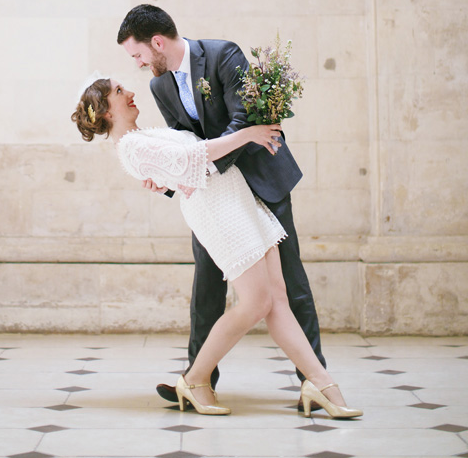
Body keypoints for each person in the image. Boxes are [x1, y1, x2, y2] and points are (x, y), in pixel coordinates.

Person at [72, 78, 362, 420]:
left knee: (276, 300)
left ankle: (320, 383)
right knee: (257, 302)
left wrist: (168, 177)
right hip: (219, 212)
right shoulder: (130, 147)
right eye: (120, 92)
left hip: (236, 201)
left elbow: (182, 165)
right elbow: (195, 155)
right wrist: (249, 133)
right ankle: (195, 379)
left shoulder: (141, 137)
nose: (131, 93)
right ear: (106, 110)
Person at [117, 4, 325, 411]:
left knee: (291, 285)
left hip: (260, 181)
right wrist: (169, 178)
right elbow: (182, 144)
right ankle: (197, 379)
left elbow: (244, 119)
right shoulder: (161, 87)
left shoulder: (222, 54)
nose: (139, 64)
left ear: (157, 42)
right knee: (206, 285)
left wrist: (202, 168)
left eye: (138, 54)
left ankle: (312, 381)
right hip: (214, 198)